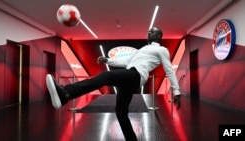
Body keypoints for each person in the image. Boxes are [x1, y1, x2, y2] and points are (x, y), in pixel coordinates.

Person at [46, 27, 181, 141]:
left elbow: (169, 70)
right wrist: (107, 60)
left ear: (159, 36)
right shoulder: (142, 50)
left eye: (152, 31)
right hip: (129, 77)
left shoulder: (161, 50)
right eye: (149, 31)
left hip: (136, 76)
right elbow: (126, 61)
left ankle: (66, 93)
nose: (149, 33)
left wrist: (177, 91)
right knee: (121, 112)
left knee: (107, 76)